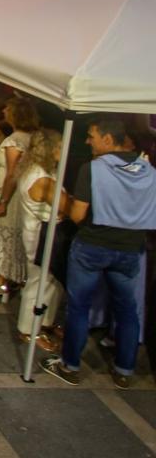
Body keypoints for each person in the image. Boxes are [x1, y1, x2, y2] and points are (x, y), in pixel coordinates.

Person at [44, 116, 156, 388]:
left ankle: (70, 365)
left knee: (79, 307)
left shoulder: (93, 169)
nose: (87, 141)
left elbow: (79, 213)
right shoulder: (148, 170)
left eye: (91, 135)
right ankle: (124, 369)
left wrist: (65, 203)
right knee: (127, 310)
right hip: (130, 248)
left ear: (108, 139)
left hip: (92, 245)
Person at [0, 97, 40, 301]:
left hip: (11, 195)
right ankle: (15, 278)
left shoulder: (15, 140)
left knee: (6, 238)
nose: (4, 111)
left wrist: (4, 201)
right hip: (21, 194)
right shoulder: (32, 138)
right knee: (16, 237)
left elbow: (12, 173)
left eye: (8, 109)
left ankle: (2, 282)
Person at [14, 128, 64, 351]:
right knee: (39, 281)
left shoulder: (35, 170)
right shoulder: (42, 179)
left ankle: (45, 322)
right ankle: (29, 329)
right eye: (61, 147)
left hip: (39, 231)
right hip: (41, 234)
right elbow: (66, 205)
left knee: (50, 282)